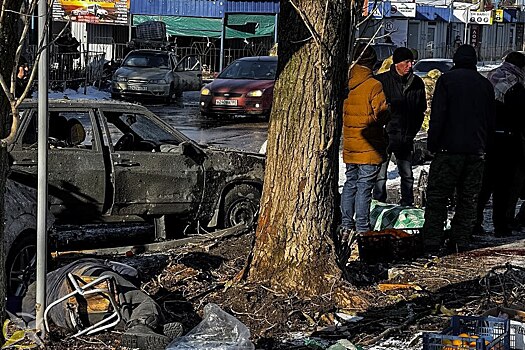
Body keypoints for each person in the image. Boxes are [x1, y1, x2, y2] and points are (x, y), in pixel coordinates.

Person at [422, 44, 495, 253]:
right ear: (474, 60)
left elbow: (438, 116)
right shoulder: (484, 85)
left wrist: (433, 144)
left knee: (438, 197)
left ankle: (432, 240)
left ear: (455, 60)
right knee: (468, 198)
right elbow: (491, 121)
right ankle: (460, 240)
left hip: (447, 150)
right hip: (475, 152)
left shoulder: (446, 81)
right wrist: (486, 147)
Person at [22, 258, 183, 349]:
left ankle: (153, 329)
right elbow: (130, 272)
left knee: (119, 314)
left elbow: (29, 313)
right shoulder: (87, 261)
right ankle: (143, 324)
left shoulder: (37, 284)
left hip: (66, 316)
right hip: (87, 275)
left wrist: (37, 327)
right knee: (138, 300)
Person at [339, 43, 389, 250]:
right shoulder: (373, 85)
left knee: (351, 182)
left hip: (351, 141)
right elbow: (383, 114)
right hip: (369, 145)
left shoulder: (346, 83)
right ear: (372, 63)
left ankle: (345, 225)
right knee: (364, 187)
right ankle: (362, 227)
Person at [474, 51, 525, 237]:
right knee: (502, 187)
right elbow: (520, 117)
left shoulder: (489, 77)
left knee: (484, 185)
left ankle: (475, 223)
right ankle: (501, 226)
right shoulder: (516, 86)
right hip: (507, 141)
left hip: (486, 139)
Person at [373, 47, 426, 206]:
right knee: (380, 175)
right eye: (407, 62)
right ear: (397, 63)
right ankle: (379, 205)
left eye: (412, 62)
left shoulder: (417, 83)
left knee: (407, 174)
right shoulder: (382, 81)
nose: (410, 66)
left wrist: (412, 131)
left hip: (405, 137)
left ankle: (407, 204)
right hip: (385, 137)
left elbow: (420, 110)